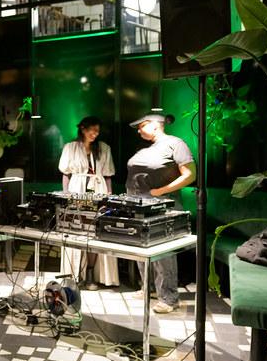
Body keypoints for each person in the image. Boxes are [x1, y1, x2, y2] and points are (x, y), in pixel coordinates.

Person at [126, 109, 196, 313]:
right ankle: (148, 288)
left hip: (162, 206)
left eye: (142, 126)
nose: (139, 130)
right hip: (139, 204)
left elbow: (190, 174)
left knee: (163, 253)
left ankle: (169, 298)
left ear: (155, 125)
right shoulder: (147, 149)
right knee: (141, 248)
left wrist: (161, 191)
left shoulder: (175, 144)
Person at [58, 115, 119, 289]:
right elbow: (66, 173)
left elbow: (108, 174)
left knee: (95, 232)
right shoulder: (71, 147)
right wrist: (66, 195)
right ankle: (76, 274)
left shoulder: (103, 148)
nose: (95, 134)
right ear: (83, 129)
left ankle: (91, 274)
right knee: (76, 231)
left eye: (97, 131)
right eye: (92, 130)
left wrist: (109, 196)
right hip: (77, 189)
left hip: (98, 189)